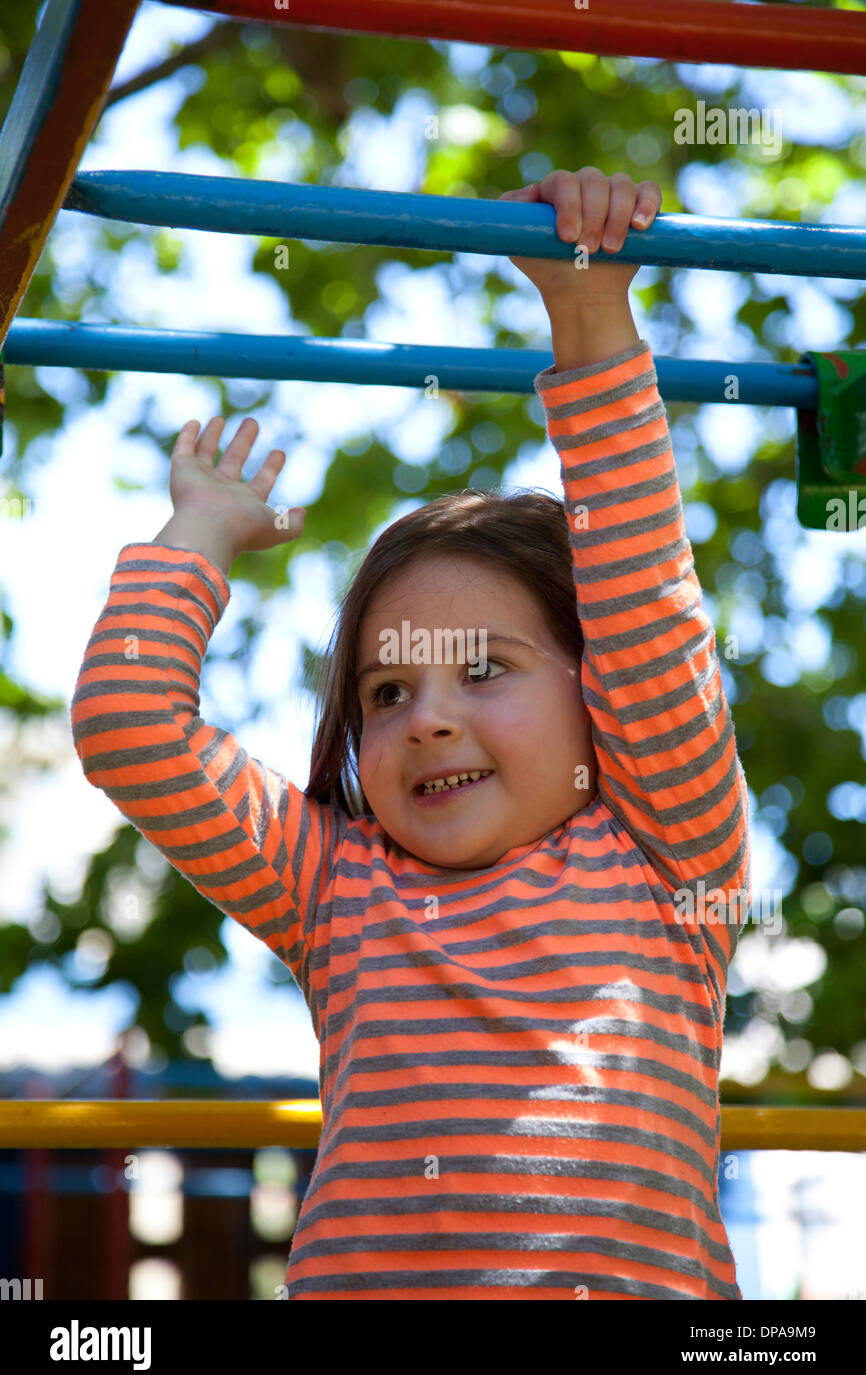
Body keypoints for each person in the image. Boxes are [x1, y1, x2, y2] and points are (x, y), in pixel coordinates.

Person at [71, 167, 751, 1300]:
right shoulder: (333, 884)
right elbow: (130, 729)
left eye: (482, 671)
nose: (428, 715)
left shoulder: (665, 852)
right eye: (385, 693)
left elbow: (640, 597)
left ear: (600, 697)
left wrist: (585, 312)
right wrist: (199, 533)